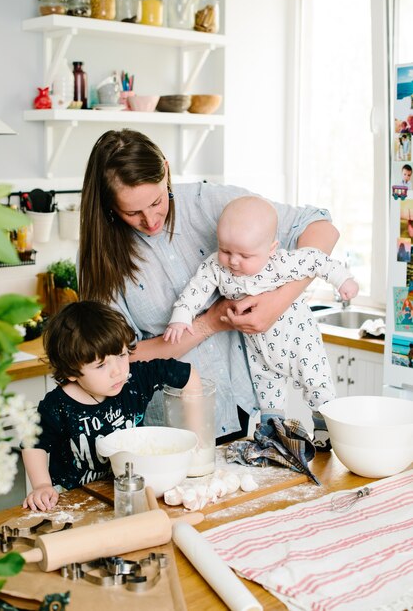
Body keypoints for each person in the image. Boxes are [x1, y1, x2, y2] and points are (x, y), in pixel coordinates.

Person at [78, 129, 340, 443]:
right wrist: (209, 323)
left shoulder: (207, 202)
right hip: (174, 424)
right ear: (109, 205)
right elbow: (121, 358)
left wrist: (276, 303)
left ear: (166, 169)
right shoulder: (99, 258)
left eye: (157, 201)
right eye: (132, 212)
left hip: (249, 406)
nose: (150, 220)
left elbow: (320, 226)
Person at [164, 196, 359, 450]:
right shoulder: (216, 267)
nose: (233, 261)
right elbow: (196, 289)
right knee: (267, 389)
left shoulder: (281, 263)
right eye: (225, 250)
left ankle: (324, 429)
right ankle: (273, 433)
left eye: (244, 255)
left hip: (299, 341)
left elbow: (315, 259)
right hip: (259, 349)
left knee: (317, 383)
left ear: (271, 248)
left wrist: (343, 280)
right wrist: (181, 316)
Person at [22, 301, 201, 512]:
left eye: (121, 355)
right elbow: (33, 442)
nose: (117, 371)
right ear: (71, 371)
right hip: (75, 502)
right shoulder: (57, 405)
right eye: (100, 365)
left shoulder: (136, 380)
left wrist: (196, 440)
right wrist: (42, 485)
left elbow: (188, 375)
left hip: (130, 493)